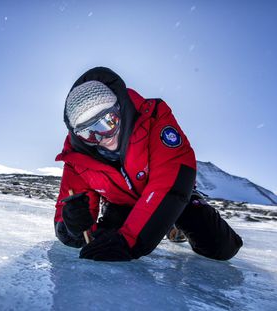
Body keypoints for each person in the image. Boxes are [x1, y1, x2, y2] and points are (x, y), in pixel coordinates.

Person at [54, 66, 243, 262]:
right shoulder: (77, 156)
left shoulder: (153, 117)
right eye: (87, 132)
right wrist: (72, 226)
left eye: (107, 122)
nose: (101, 137)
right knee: (102, 241)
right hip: (122, 204)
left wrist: (130, 242)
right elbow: (67, 219)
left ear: (119, 108)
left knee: (220, 248)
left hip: (171, 196)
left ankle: (172, 222)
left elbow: (170, 183)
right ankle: (160, 224)